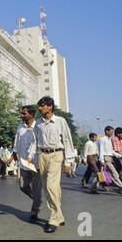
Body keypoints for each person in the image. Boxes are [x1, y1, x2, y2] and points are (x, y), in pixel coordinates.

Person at [27, 97, 75, 233]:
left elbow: (67, 140)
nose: (40, 108)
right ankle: (59, 215)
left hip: (56, 154)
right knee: (51, 188)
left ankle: (54, 219)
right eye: (40, 106)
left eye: (42, 106)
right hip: (42, 156)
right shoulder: (38, 124)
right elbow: (34, 141)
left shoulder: (60, 121)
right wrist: (30, 156)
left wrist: (68, 161)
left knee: (51, 186)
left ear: (50, 107)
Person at [14, 105, 42, 222]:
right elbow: (17, 142)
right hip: (23, 162)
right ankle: (37, 200)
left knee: (36, 188)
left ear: (31, 114)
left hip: (36, 163)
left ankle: (34, 211)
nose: (22, 115)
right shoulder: (20, 127)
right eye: (22, 113)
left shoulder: (38, 127)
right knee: (22, 186)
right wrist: (14, 154)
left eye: (24, 113)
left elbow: (37, 144)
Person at [98, 126, 122, 197]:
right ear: (106, 131)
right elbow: (101, 151)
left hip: (109, 158)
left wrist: (121, 156)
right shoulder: (102, 139)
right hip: (105, 159)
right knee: (115, 175)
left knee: (99, 176)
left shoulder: (109, 140)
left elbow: (112, 151)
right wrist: (102, 160)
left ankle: (93, 188)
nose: (112, 133)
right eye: (111, 131)